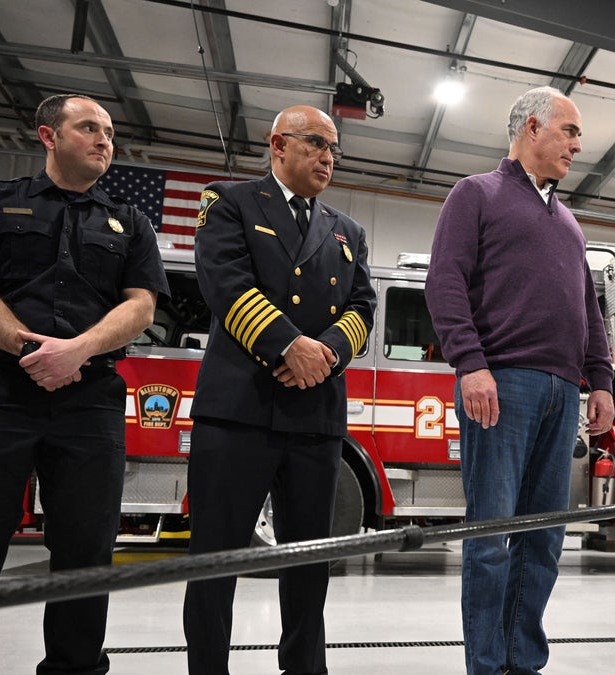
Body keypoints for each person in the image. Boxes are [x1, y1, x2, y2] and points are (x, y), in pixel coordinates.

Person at [0, 93, 168, 674]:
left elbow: (142, 305)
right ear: (48, 136)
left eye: (109, 131)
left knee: (86, 548)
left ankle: (75, 668)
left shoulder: (130, 222)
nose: (104, 139)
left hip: (90, 395)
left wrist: (77, 350)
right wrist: (29, 347)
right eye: (88, 128)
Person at [425, 85, 615, 675]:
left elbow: (588, 309)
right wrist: (471, 364)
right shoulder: (475, 195)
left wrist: (601, 380)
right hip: (501, 385)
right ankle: (487, 665)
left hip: (563, 393)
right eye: (570, 132)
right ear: (532, 128)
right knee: (491, 538)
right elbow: (445, 283)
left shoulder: (569, 222)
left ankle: (522, 661)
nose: (578, 146)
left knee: (546, 540)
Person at [182, 105, 375, 675]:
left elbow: (364, 306)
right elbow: (225, 282)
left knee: (309, 565)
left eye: (334, 149)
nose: (328, 157)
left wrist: (328, 354)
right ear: (277, 144)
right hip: (238, 412)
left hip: (314, 419)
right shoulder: (230, 202)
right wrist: (290, 345)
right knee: (214, 564)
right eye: (317, 143)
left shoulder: (348, 231)